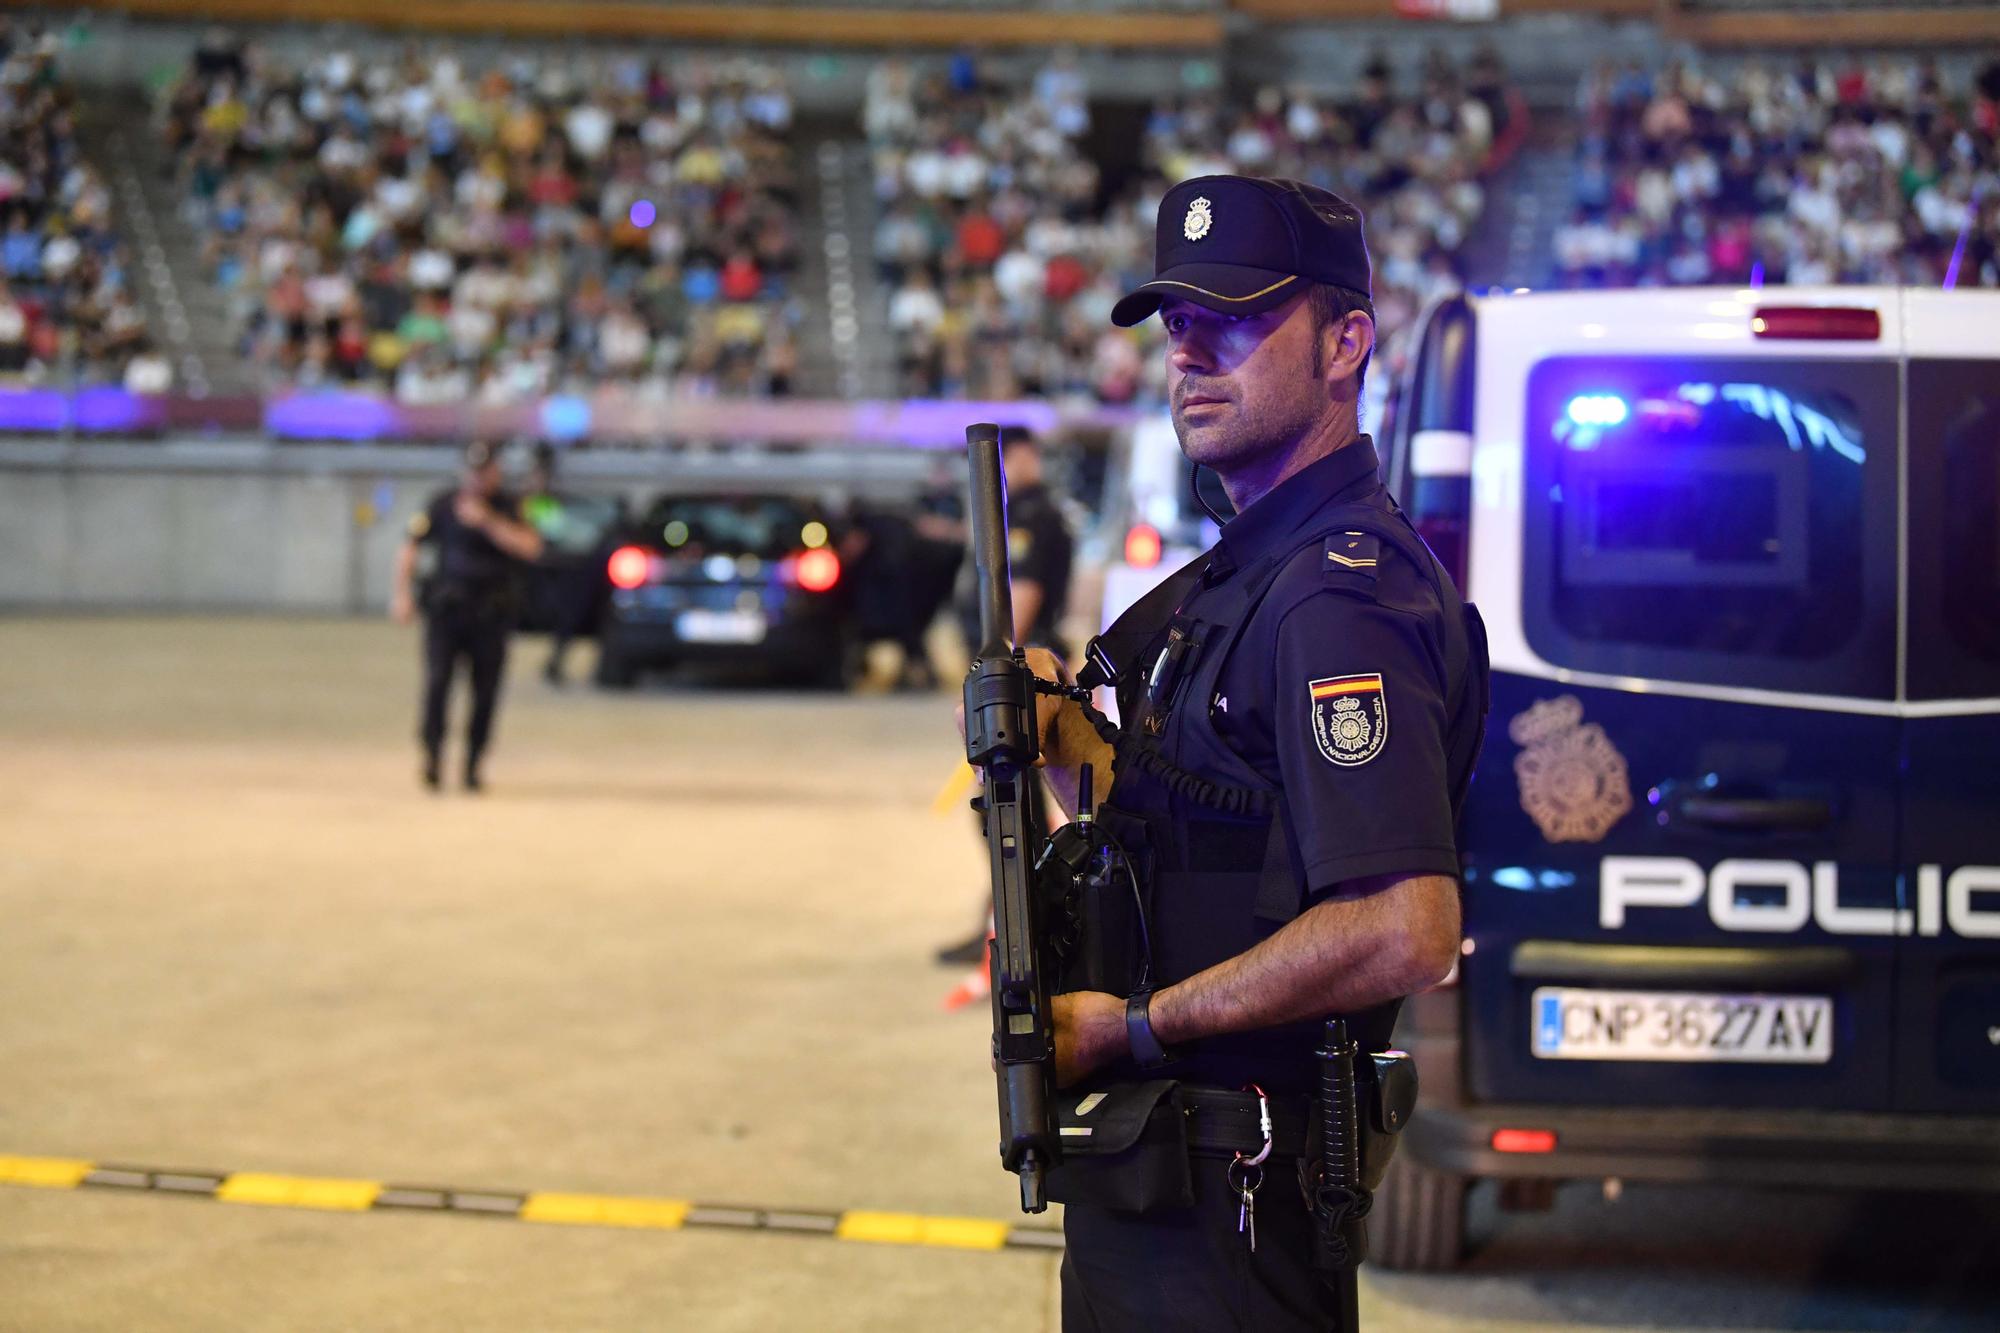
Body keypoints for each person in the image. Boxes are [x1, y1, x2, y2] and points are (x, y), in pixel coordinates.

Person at [1016, 175, 1489, 1331]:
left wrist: (1130, 1025)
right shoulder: (1249, 573)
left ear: (1346, 343)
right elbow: (1211, 832)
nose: (1190, 354)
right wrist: (1054, 745)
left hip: (1231, 1204)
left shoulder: (1338, 602)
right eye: (1178, 325)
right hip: (1172, 1189)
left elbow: (1401, 926)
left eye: (1233, 319)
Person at [937, 423, 1078, 965]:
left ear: (1021, 456)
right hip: (1026, 674)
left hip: (1023, 678)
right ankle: (1012, 921)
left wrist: (989, 676)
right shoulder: (1041, 512)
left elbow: (1021, 602)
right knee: (1007, 806)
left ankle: (1026, 929)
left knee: (1009, 806)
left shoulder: (1030, 516)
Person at [391, 440, 545, 791]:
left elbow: (530, 546)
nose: (478, 479)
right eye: (473, 472)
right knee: (437, 685)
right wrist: (402, 594)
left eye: (485, 471)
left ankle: (473, 765)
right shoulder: (443, 504)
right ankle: (432, 757)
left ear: (496, 472)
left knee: (485, 693)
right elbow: (410, 546)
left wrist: (487, 521)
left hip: (492, 614)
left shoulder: (510, 506)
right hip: (449, 611)